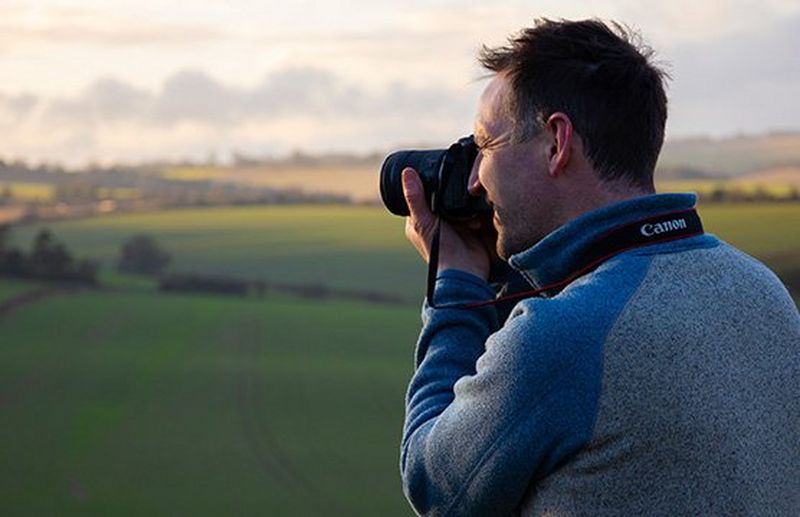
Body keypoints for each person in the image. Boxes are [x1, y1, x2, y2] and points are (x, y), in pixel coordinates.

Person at [398, 18, 800, 516]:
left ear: (556, 143)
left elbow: (436, 485)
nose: (475, 181)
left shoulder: (566, 337)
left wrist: (456, 284)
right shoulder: (760, 289)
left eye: (485, 146)